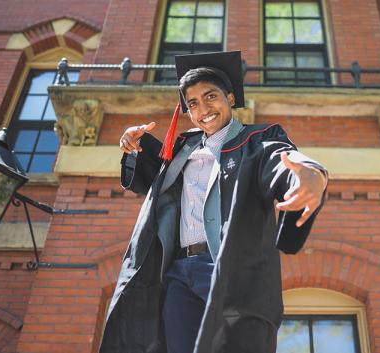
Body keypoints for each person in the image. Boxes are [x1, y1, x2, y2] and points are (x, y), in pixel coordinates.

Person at [99, 51, 328, 353]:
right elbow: (154, 184)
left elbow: (281, 159)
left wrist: (312, 175)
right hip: (178, 273)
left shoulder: (256, 140)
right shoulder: (183, 150)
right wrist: (134, 146)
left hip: (225, 269)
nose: (202, 108)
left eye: (211, 97)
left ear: (230, 98)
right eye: (192, 103)